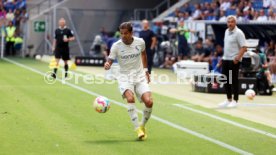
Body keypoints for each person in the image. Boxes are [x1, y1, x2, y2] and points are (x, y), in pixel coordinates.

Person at [104, 22, 153, 140]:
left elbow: (144, 54)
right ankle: (137, 129)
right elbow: (110, 59)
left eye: (126, 33)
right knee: (130, 99)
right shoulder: (116, 45)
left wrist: (146, 70)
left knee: (149, 102)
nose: (123, 36)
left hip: (139, 76)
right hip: (124, 77)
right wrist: (107, 64)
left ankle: (142, 125)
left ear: (131, 33)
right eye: (121, 33)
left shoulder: (140, 42)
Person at [218, 15, 247, 108]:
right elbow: (227, 46)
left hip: (234, 60)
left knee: (233, 80)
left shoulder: (239, 33)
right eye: (228, 22)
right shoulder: (226, 31)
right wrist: (222, 58)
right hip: (226, 59)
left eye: (232, 22)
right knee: (226, 80)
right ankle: (229, 99)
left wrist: (238, 58)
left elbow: (244, 47)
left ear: (235, 23)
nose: (230, 24)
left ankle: (235, 100)